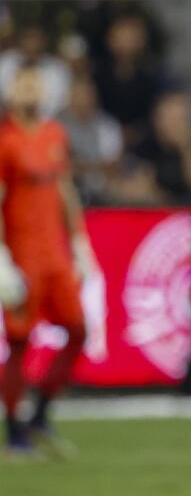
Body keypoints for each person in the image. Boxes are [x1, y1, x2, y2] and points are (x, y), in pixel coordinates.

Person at [0, 66, 96, 457]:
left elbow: (64, 188)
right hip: (23, 256)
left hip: (54, 254)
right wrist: (2, 255)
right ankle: (14, 433)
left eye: (35, 84)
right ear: (10, 90)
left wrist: (79, 241)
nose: (30, 90)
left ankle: (39, 414)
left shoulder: (55, 134)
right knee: (20, 343)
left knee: (77, 330)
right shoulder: (5, 141)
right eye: (23, 84)